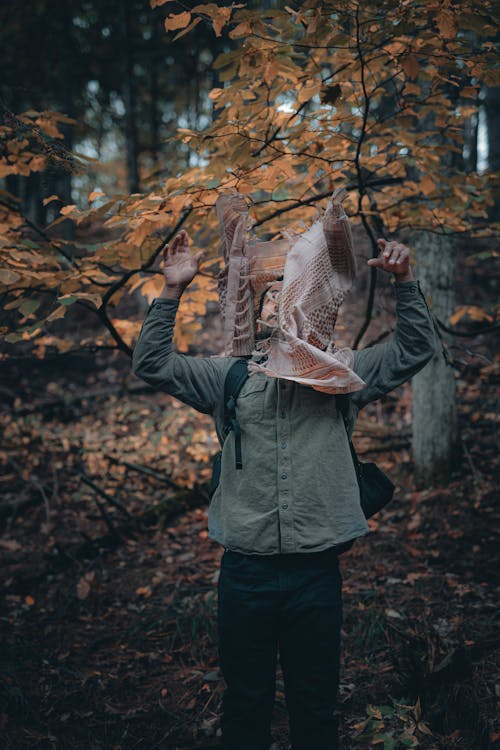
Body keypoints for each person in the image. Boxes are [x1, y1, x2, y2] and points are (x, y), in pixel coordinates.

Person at [132, 203, 436, 749]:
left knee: (314, 710)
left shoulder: (343, 373)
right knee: (245, 708)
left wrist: (405, 282)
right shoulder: (227, 377)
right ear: (252, 303)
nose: (280, 303)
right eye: (269, 293)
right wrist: (173, 290)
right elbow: (152, 364)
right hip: (244, 575)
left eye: (289, 291)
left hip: (315, 575)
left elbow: (416, 349)